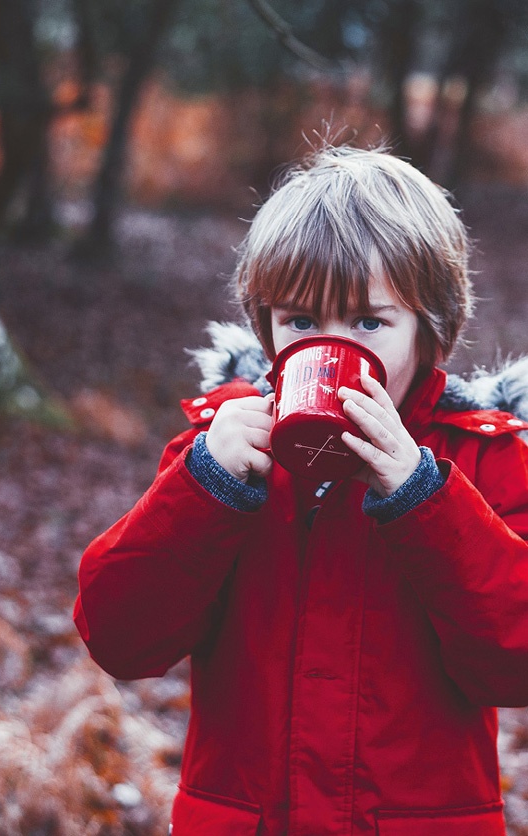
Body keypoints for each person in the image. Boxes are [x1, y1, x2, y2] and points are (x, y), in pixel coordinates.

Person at [74, 143, 528, 835]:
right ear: (265, 326)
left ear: (430, 329)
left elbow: (514, 665)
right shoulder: (219, 454)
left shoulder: (478, 460)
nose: (331, 345)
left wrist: (421, 499)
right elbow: (119, 638)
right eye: (300, 322)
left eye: (369, 322)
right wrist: (206, 487)